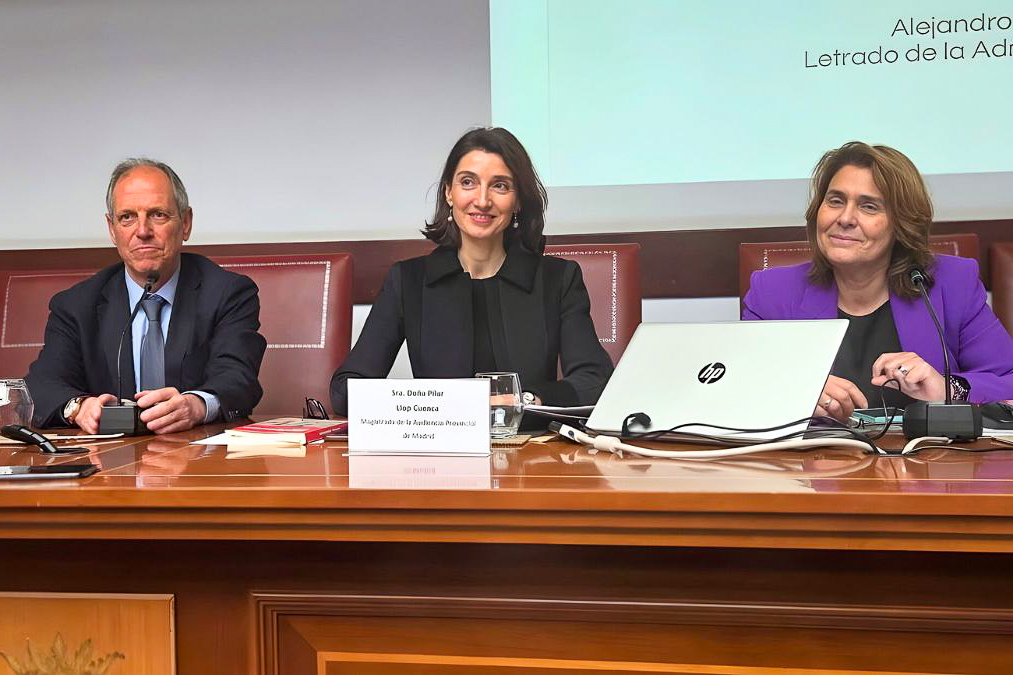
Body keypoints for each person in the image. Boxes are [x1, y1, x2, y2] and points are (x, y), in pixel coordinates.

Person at [330, 127, 613, 415]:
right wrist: (424, 407)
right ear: (448, 193)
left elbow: (595, 382)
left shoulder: (558, 279)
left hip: (533, 454)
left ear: (517, 201)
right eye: (468, 182)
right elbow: (346, 390)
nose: (482, 200)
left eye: (500, 185)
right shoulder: (408, 281)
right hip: (441, 454)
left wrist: (525, 402)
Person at [743, 141, 1013, 422]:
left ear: (901, 225)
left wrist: (946, 388)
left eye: (869, 207)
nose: (845, 218)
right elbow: (735, 387)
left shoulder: (952, 284)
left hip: (927, 461)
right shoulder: (772, 293)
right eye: (835, 200)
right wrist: (798, 392)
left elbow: (1008, 379)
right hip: (814, 461)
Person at [26, 158, 267, 433]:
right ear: (111, 229)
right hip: (107, 465)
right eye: (127, 217)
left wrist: (197, 405)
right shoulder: (76, 305)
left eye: (158, 215)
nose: (142, 231)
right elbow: (43, 385)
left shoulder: (228, 293)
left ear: (186, 223)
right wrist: (79, 408)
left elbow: (238, 379)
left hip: (194, 459)